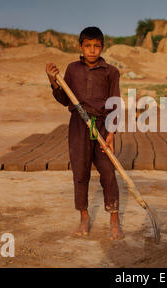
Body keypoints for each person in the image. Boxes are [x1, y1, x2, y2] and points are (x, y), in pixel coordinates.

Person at [45, 27, 124, 240]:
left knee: (108, 172)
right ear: (80, 47)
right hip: (79, 125)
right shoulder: (72, 69)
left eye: (96, 46)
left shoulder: (111, 72)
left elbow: (115, 103)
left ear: (102, 47)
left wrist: (111, 133)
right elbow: (64, 100)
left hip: (100, 125)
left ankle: (114, 219)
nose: (92, 50)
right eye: (87, 46)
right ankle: (84, 216)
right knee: (80, 173)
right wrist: (53, 80)